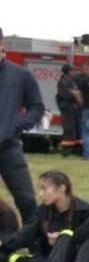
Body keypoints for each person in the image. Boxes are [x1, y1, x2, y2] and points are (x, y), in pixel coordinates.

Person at [3, 169, 89, 262]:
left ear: (62, 188)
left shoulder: (85, 211)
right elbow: (25, 233)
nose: (41, 194)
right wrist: (3, 242)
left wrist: (64, 240)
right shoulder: (42, 211)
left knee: (66, 235)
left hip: (75, 258)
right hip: (48, 257)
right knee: (15, 260)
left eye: (44, 189)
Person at [0, 27, 46, 223]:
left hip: (8, 146)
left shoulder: (20, 75)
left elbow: (37, 107)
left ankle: (32, 246)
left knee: (27, 200)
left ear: (2, 44)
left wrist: (16, 125)